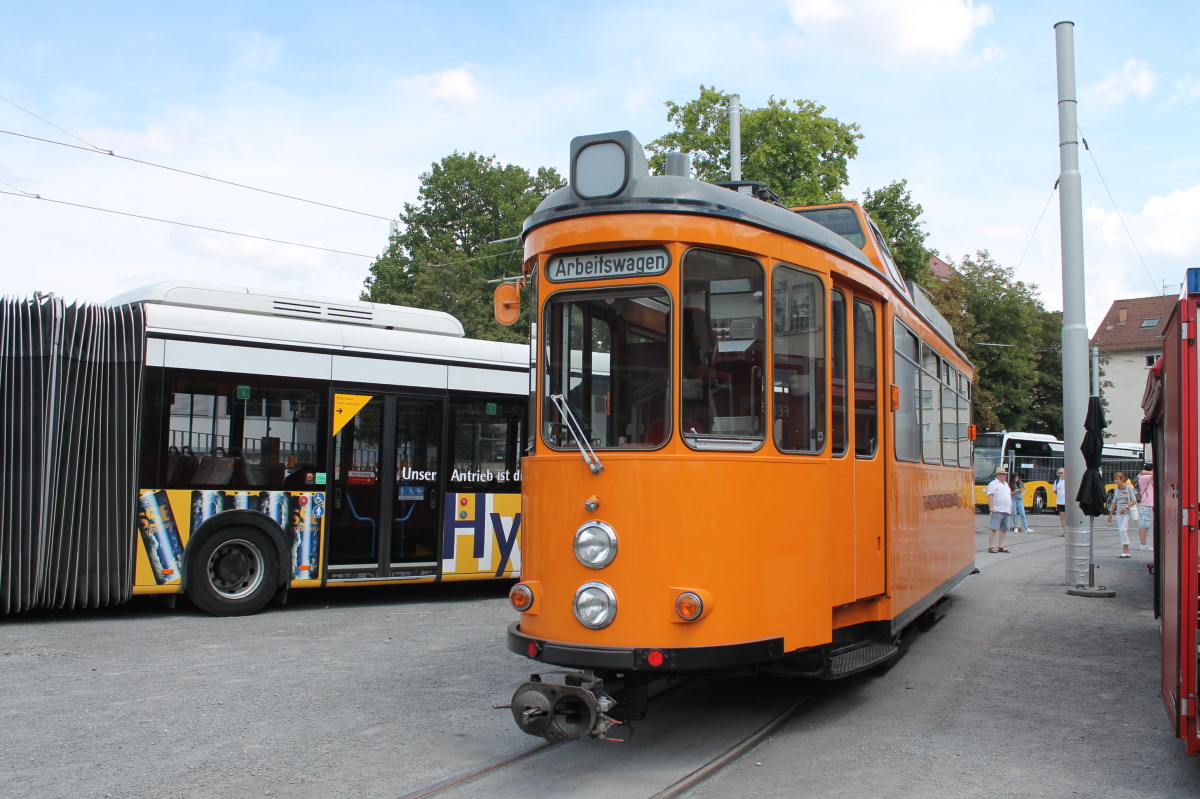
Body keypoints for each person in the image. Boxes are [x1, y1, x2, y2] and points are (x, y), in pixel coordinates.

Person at [1107, 472, 1137, 558]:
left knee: (1123, 529)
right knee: (1121, 530)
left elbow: (1134, 500)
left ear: (1122, 479)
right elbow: (1114, 502)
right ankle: (1126, 550)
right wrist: (1110, 514)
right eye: (1115, 479)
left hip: (1127, 512)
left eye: (1117, 479)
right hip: (1119, 512)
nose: (1116, 481)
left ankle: (1125, 549)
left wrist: (1126, 507)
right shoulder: (1116, 489)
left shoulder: (1129, 488)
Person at [986, 467, 1012, 553]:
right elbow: (990, 495)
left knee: (1004, 528)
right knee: (993, 528)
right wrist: (991, 507)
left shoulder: (1006, 484)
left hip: (1006, 509)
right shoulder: (993, 484)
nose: (1005, 476)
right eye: (1004, 474)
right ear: (998, 475)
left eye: (1005, 474)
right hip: (997, 509)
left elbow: (1008, 496)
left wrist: (1010, 508)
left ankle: (1001, 546)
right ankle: (991, 546)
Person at [1137, 463, 1154, 551]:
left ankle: (1144, 544)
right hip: (1145, 503)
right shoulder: (1144, 477)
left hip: (1146, 503)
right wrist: (1146, 472)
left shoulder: (1143, 476)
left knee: (1146, 524)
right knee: (1144, 524)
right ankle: (1143, 544)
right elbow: (1157, 475)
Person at [1054, 468, 1067, 535]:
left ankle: (1070, 530)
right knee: (1062, 517)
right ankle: (1065, 531)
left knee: (1068, 517)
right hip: (1060, 501)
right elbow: (1054, 490)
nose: (1060, 474)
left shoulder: (1069, 480)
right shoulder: (1057, 481)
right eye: (1059, 473)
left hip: (1067, 502)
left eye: (1061, 473)